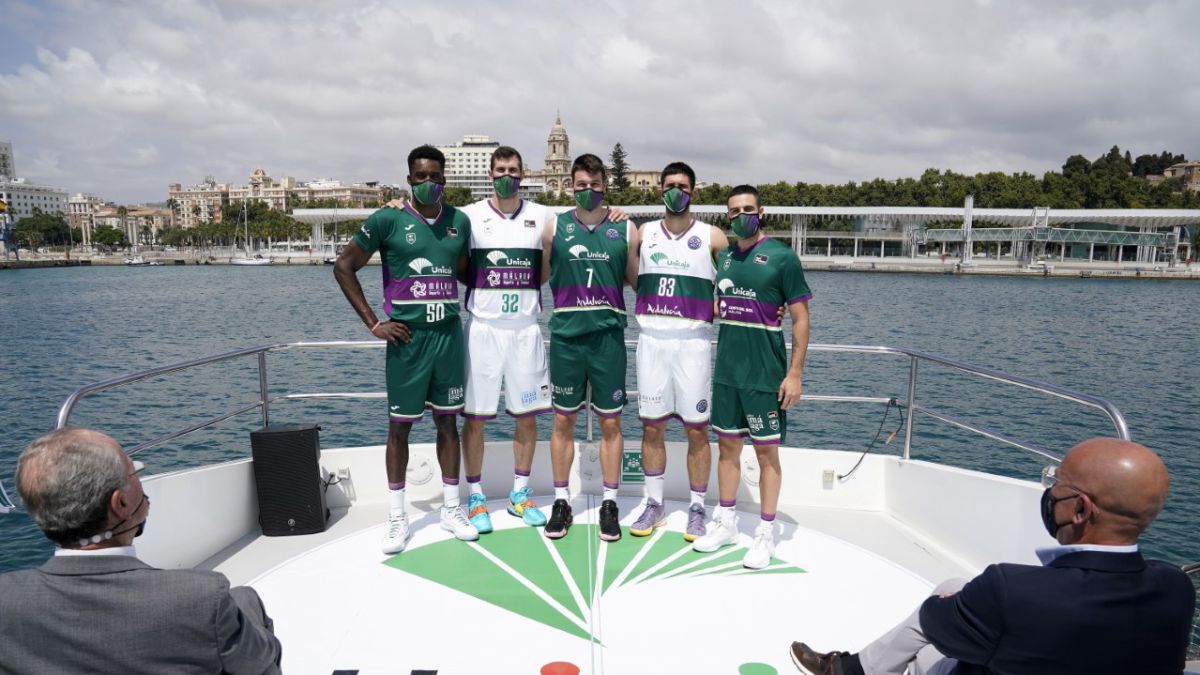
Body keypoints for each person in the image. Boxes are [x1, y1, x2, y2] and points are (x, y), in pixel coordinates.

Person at [789, 437, 1195, 675]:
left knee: (925, 638)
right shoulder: (1177, 588)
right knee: (953, 590)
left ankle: (849, 671)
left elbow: (933, 623)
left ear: (1080, 509)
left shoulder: (1010, 588)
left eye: (1057, 488)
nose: (1050, 495)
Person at [0, 427, 282, 674]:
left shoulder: (7, 600)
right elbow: (259, 664)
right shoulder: (203, 598)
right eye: (134, 471)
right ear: (120, 503)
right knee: (247, 601)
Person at [333, 144, 478, 554]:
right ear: (409, 179)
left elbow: (467, 273)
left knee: (449, 424)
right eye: (421, 176)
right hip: (407, 339)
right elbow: (343, 267)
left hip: (448, 336)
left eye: (436, 176)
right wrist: (374, 323)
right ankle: (397, 516)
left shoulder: (459, 222)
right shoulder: (387, 219)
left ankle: (452, 508)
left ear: (444, 179)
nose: (429, 182)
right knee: (400, 427)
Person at [693, 184, 811, 569]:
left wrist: (794, 374)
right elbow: (718, 305)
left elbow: (800, 319)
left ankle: (765, 532)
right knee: (727, 449)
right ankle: (725, 522)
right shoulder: (724, 257)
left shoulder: (782, 258)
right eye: (734, 211)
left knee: (766, 454)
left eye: (748, 208)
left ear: (761, 212)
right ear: (727, 217)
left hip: (765, 374)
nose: (741, 215)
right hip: (727, 372)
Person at [628, 161, 728, 542]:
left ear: (694, 191)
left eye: (683, 185)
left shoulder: (712, 236)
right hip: (652, 340)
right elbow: (632, 276)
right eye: (670, 185)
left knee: (697, 430)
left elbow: (735, 282)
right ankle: (654, 503)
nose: (676, 191)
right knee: (652, 426)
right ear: (659, 190)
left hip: (693, 345)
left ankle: (698, 508)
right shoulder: (643, 232)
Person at [542, 153, 640, 542]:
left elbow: (636, 280)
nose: (588, 191)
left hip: (607, 338)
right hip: (566, 337)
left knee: (611, 422)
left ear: (605, 186)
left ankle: (610, 503)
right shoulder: (554, 228)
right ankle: (562, 500)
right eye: (581, 185)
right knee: (563, 421)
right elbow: (538, 276)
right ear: (571, 185)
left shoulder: (625, 228)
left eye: (595, 185)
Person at [458, 146, 556, 532]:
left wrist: (615, 214)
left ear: (523, 173)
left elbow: (585, 223)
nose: (507, 176)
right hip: (483, 328)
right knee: (476, 419)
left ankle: (520, 493)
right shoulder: (469, 215)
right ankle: (476, 496)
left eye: (514, 170)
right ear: (489, 173)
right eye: (500, 169)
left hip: (525, 330)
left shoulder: (543, 216)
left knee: (527, 417)